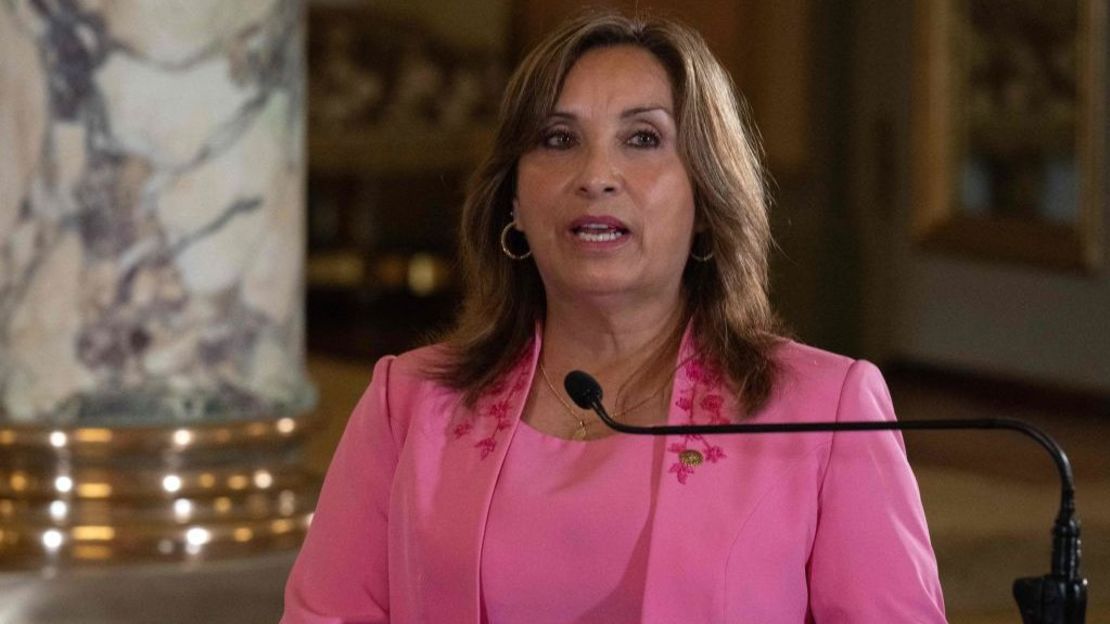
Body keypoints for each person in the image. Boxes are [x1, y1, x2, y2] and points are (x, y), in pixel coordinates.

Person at [282, 11, 946, 623]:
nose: (596, 174)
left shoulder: (826, 412)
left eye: (643, 138)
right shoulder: (409, 402)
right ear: (513, 202)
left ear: (708, 199)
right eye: (558, 138)